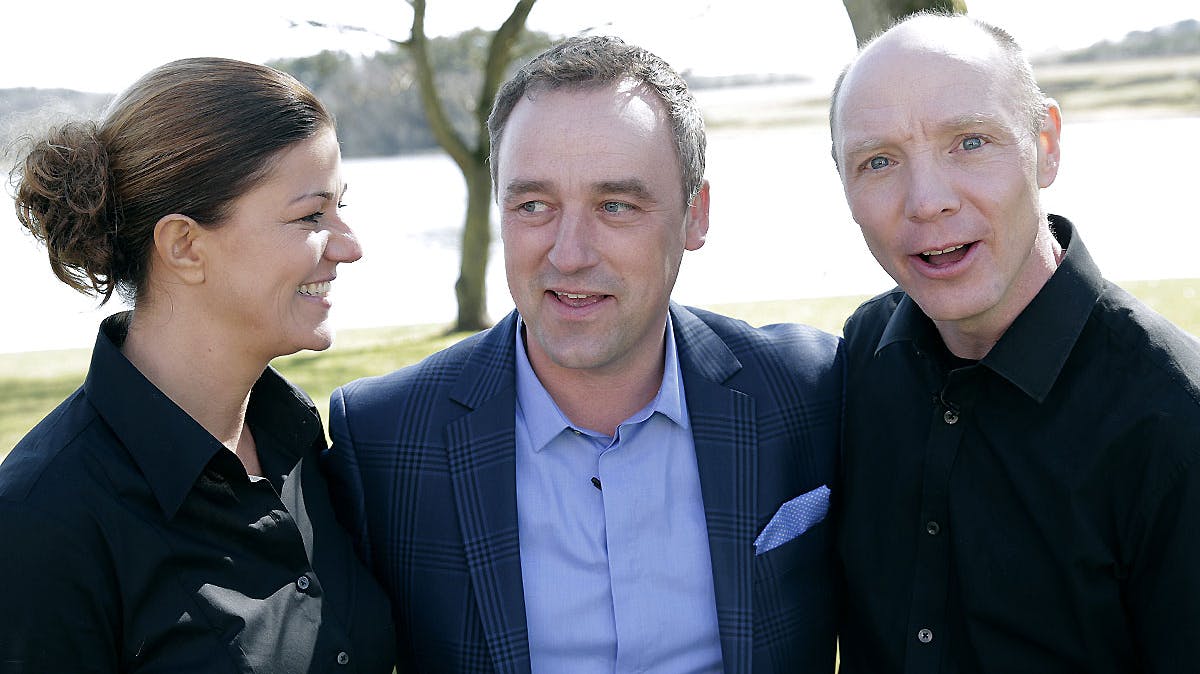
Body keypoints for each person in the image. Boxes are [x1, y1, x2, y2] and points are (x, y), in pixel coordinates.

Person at [322, 35, 843, 672]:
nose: (569, 253)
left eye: (615, 205)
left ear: (694, 215)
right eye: (533, 205)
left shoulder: (811, 391)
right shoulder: (382, 438)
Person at [829, 11, 1200, 673]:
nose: (927, 201)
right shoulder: (859, 358)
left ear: (1046, 144)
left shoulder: (1174, 416)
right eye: (878, 161)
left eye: (970, 142)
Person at [0, 57, 395, 671]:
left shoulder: (299, 440)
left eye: (339, 207)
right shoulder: (44, 518)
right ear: (184, 245)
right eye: (311, 215)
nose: (350, 245)